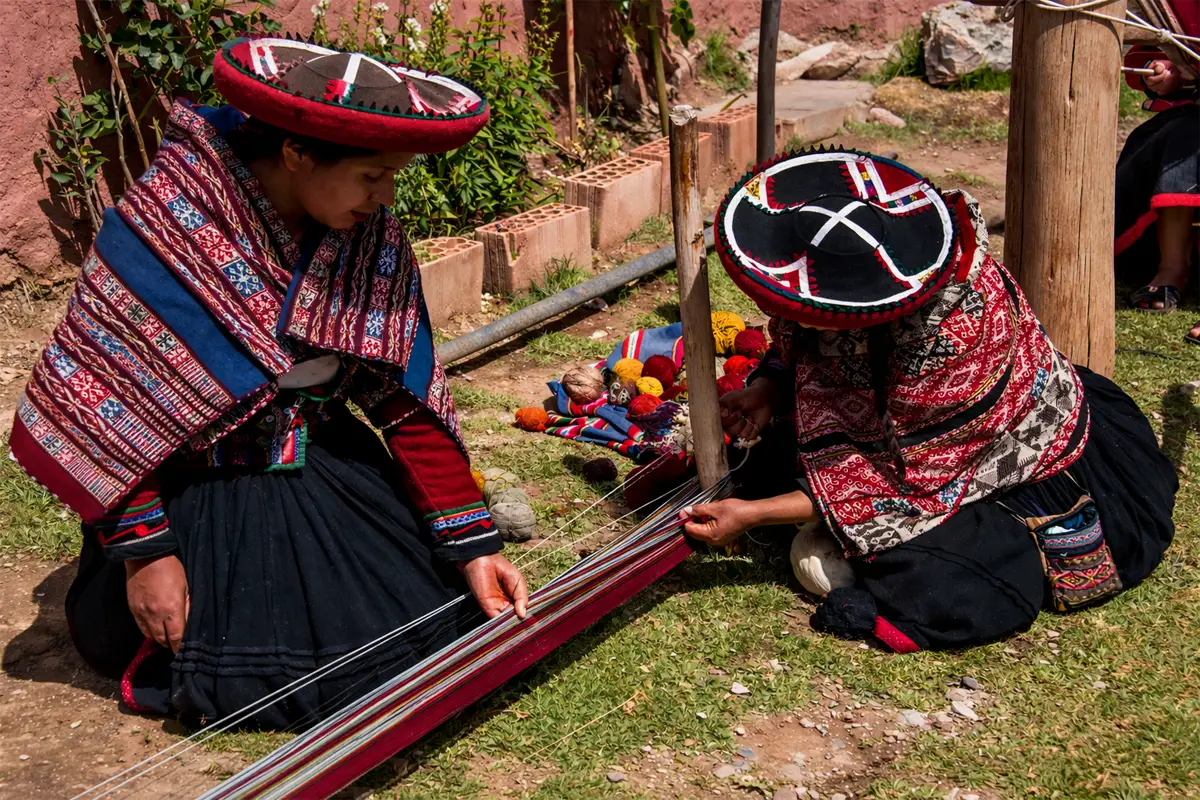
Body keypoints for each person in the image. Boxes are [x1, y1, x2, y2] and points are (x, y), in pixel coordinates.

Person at [10, 37, 527, 727]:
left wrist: (474, 546)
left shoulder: (368, 236)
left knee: (423, 632)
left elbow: (402, 401)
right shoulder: (168, 223)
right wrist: (146, 557)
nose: (388, 196)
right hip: (194, 492)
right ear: (296, 154)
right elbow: (107, 404)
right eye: (373, 174)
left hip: (321, 460)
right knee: (247, 670)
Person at [681, 149, 1176, 652]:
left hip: (983, 461)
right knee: (763, 465)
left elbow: (898, 484)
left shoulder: (948, 344)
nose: (775, 312)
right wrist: (768, 388)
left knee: (940, 580)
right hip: (908, 447)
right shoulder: (859, 293)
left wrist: (756, 515)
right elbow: (810, 350)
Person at [1116, 1, 1199, 331]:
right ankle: (1172, 268)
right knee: (1185, 138)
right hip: (1189, 120)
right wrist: (1165, 67)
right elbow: (1146, 48)